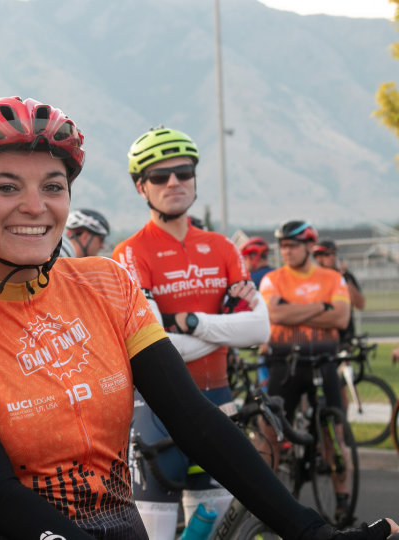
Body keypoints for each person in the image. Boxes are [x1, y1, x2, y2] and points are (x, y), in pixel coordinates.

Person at [0, 98, 396, 540]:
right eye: (7, 186)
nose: (35, 206)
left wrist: (310, 530)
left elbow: (193, 419)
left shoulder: (107, 283)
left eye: (53, 185)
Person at [112, 126, 270, 538]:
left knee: (213, 531)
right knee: (155, 534)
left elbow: (259, 328)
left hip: (220, 403)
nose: (174, 183)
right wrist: (223, 330)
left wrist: (191, 322)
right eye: (160, 177)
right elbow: (151, 345)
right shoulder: (129, 253)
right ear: (140, 186)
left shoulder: (223, 247)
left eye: (183, 172)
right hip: (156, 412)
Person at [259, 221, 354, 522]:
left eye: (292, 245)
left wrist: (295, 310)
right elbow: (274, 313)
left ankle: (342, 502)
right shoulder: (273, 278)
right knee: (269, 430)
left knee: (334, 432)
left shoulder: (332, 277)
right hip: (284, 364)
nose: (285, 251)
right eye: (282, 246)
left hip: (324, 362)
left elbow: (340, 318)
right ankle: (264, 500)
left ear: (309, 246)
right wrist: (319, 307)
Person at [312, 239, 365, 345]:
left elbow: (360, 304)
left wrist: (346, 281)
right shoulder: (312, 278)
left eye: (334, 253)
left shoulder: (345, 276)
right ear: (317, 258)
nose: (332, 257)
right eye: (327, 254)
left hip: (344, 336)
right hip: (319, 336)